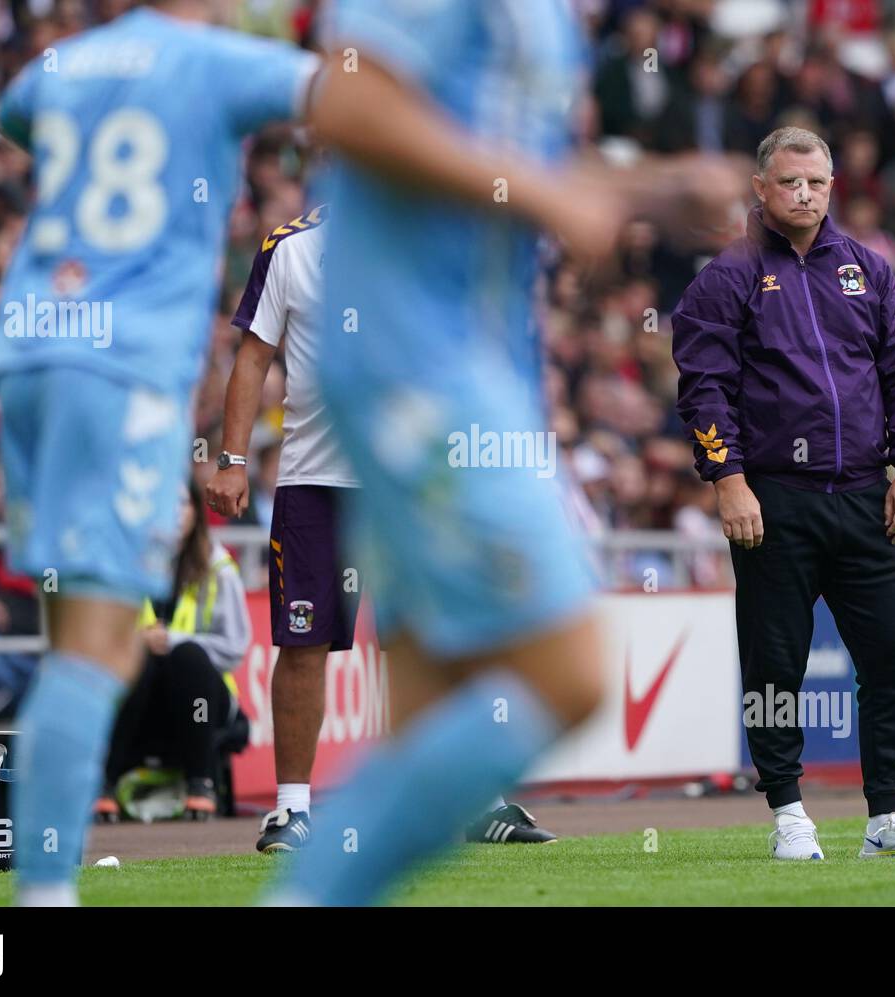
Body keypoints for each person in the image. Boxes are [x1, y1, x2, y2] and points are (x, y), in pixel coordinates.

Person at [258, 0, 739, 905]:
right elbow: (348, 105)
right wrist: (552, 194)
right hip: (415, 365)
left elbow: (504, 160)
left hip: (471, 367)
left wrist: (651, 189)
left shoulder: (550, 19)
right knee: (566, 676)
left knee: (428, 719)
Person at [0, 0, 318, 906]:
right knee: (98, 649)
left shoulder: (64, 61)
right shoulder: (212, 60)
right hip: (117, 366)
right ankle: (43, 894)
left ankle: (45, 878)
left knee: (81, 645)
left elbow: (10, 119)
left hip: (25, 349)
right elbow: (339, 98)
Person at [206, 204, 557, 850]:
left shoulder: (428, 233)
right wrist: (230, 460)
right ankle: (290, 808)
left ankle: (472, 798)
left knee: (443, 637)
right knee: (305, 641)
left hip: (411, 480)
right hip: (318, 478)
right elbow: (253, 355)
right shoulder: (290, 247)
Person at [672, 126, 895, 860]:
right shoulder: (726, 277)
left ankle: (887, 816)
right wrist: (728, 480)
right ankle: (788, 813)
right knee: (775, 664)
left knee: (894, 659)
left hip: (869, 496)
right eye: (791, 181)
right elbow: (703, 389)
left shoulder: (870, 268)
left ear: (833, 187)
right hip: (774, 498)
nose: (805, 193)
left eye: (818, 182)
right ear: (761, 188)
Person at [97, 480, 251, 820]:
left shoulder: (219, 568)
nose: (174, 512)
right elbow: (100, 637)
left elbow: (235, 647)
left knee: (187, 657)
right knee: (142, 661)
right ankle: (104, 786)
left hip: (204, 697)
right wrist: (140, 642)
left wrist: (173, 640)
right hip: (141, 694)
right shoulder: (125, 562)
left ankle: (201, 784)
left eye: (182, 503)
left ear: (196, 511)